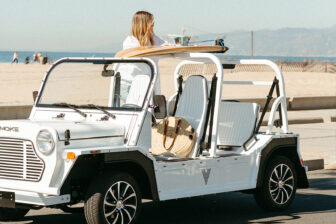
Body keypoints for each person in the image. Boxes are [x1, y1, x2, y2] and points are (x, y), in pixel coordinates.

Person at [116, 11, 165, 105]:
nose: (153, 25)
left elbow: (165, 45)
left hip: (144, 83)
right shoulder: (130, 41)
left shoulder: (152, 39)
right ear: (144, 24)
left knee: (144, 108)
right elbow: (141, 53)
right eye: (151, 23)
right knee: (136, 108)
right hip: (128, 83)